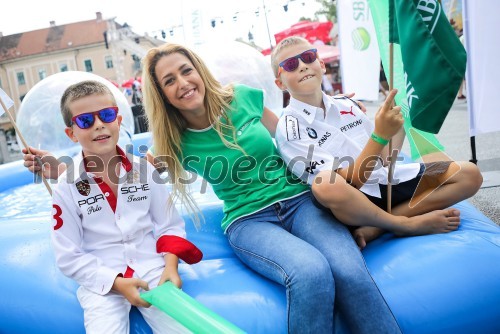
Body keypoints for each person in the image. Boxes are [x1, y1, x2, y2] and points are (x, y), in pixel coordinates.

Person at [23, 44, 402, 333]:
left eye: (186, 71)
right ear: (162, 94)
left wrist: (338, 112)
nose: (182, 83)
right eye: (169, 81)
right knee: (310, 273)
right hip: (250, 222)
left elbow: (295, 136)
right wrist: (57, 169)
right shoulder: (172, 139)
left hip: (302, 203)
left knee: (350, 270)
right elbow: (119, 167)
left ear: (199, 71)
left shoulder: (244, 98)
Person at [271, 36, 483, 249]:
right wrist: (380, 135)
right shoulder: (289, 129)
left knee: (469, 174)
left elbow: (384, 160)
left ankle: (378, 226)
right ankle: (404, 224)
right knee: (325, 183)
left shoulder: (348, 105)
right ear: (280, 83)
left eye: (308, 57)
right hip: (352, 202)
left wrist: (396, 125)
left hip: (384, 181)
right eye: (290, 64)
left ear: (322, 65)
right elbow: (350, 183)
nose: (302, 66)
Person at [38, 80, 203, 333]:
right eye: (85, 121)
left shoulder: (145, 170)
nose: (99, 125)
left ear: (118, 120)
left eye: (106, 115)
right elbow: (68, 255)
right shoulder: (66, 185)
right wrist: (115, 283)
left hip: (154, 270)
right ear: (71, 132)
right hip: (102, 280)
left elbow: (169, 225)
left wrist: (170, 267)